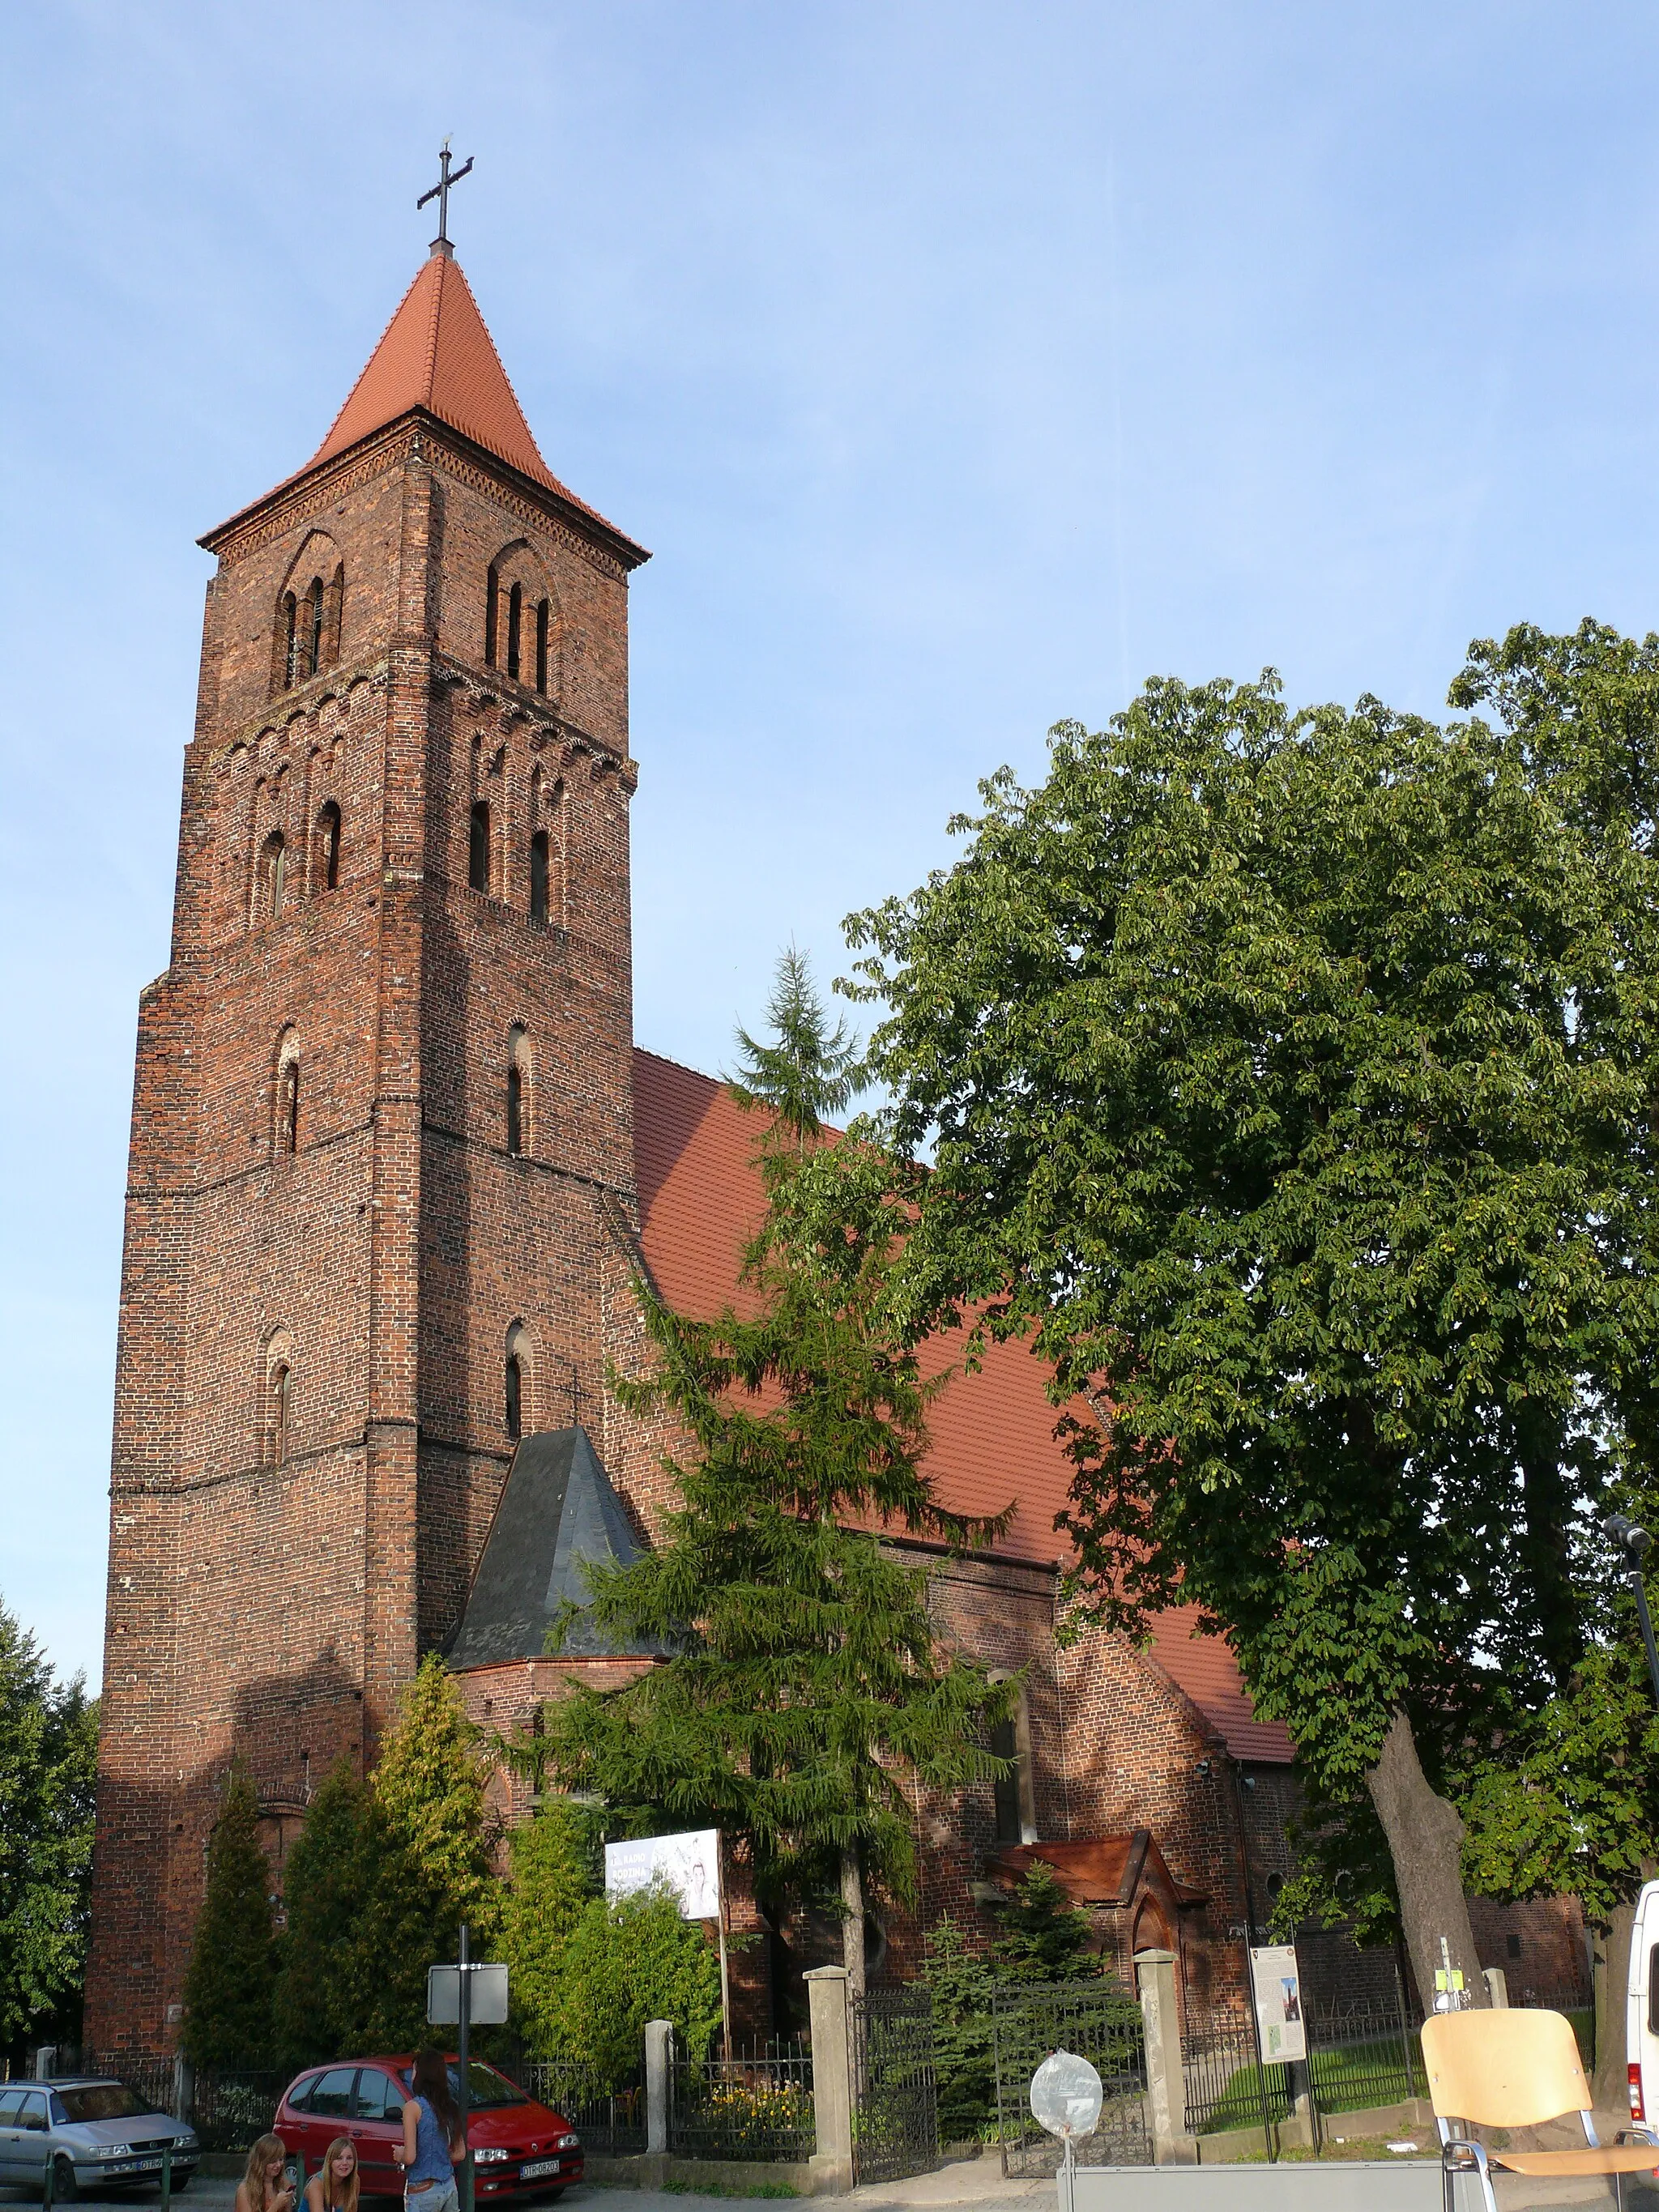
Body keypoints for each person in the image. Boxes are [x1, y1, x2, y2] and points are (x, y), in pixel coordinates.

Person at [399, 2047, 465, 2212]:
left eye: (414, 2071)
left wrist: (400, 2154)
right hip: (449, 2186)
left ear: (422, 2076)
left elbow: (410, 2157)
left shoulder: (412, 2108)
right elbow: (460, 2153)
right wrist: (438, 2155)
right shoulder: (450, 2106)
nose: (412, 2077)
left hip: (422, 2190)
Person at [237, 2134, 296, 2212]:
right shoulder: (245, 2190)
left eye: (281, 2159)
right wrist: (276, 2206)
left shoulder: (284, 2184)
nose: (278, 2165)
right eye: (273, 2161)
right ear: (261, 2161)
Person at [305, 2138, 360, 2212]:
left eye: (349, 2158)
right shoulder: (317, 2184)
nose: (345, 2163)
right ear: (330, 2161)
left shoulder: (355, 2181)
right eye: (339, 2158)